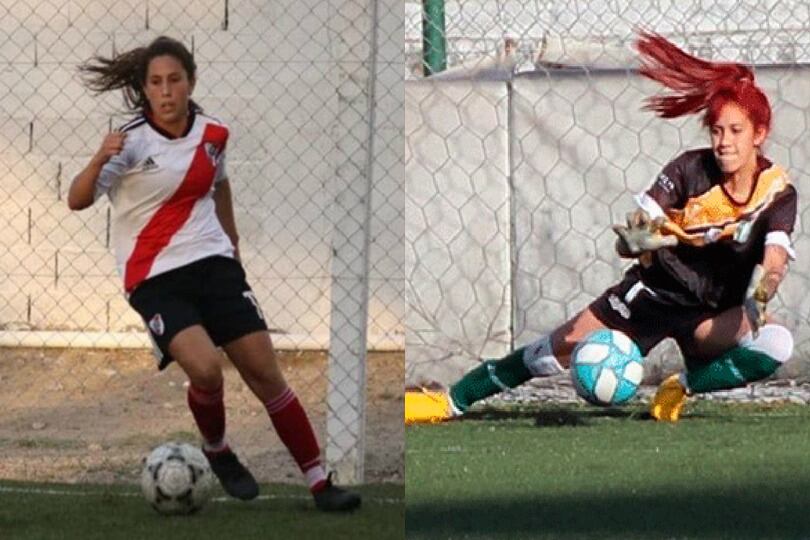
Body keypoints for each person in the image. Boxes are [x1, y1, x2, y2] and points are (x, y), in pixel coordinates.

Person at [405, 31, 797, 424]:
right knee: (551, 351)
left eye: (735, 131)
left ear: (758, 135)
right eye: (716, 131)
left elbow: (775, 257)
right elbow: (643, 219)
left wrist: (764, 291)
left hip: (710, 316)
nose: (723, 142)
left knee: (776, 344)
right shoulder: (689, 170)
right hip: (651, 295)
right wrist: (638, 241)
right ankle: (451, 401)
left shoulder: (776, 192)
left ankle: (683, 386)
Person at [68, 36, 360, 511]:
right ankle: (218, 448)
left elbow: (220, 186)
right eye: (156, 83)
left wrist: (234, 246)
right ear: (145, 90)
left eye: (174, 81)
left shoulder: (214, 134)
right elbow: (76, 199)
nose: (166, 92)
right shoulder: (129, 142)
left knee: (266, 374)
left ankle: (319, 484)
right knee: (206, 369)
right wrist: (99, 157)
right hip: (154, 276)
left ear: (191, 82)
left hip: (215, 265)